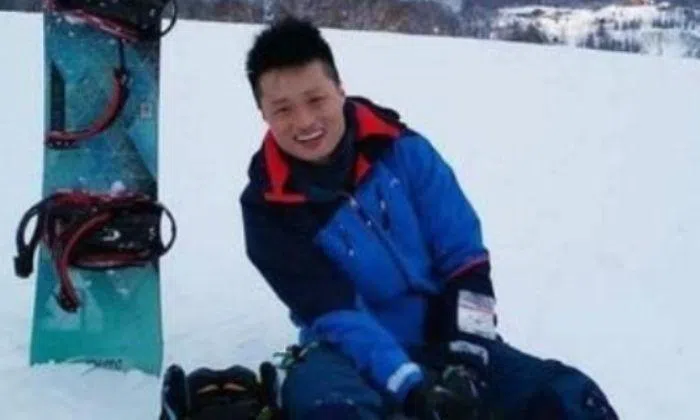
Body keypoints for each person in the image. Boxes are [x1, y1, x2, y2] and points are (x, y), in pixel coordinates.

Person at [239, 16, 618, 420]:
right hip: (345, 352)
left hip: (444, 331)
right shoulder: (267, 208)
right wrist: (411, 386)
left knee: (569, 396)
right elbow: (334, 312)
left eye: (316, 100)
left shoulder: (404, 151)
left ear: (339, 89)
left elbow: (466, 261)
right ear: (263, 113)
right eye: (283, 109)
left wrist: (468, 356)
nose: (304, 122)